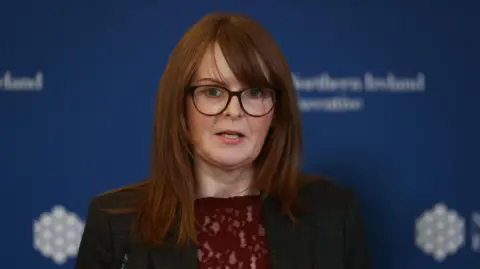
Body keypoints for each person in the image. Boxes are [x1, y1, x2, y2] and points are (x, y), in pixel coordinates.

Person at [74, 12, 372, 269]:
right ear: (181, 106)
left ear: (276, 113)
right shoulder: (114, 226)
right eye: (213, 91)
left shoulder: (334, 216)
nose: (234, 111)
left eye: (254, 93)